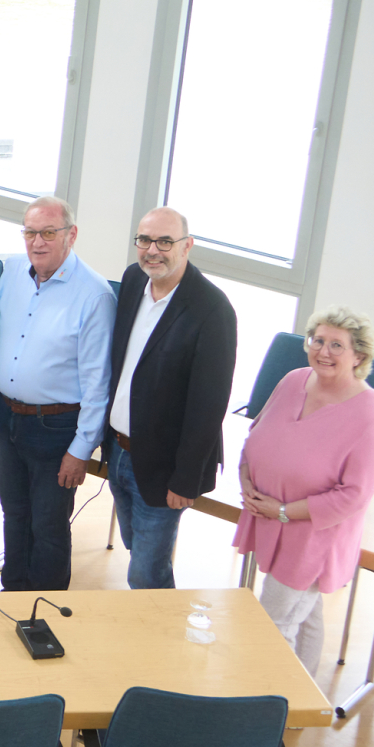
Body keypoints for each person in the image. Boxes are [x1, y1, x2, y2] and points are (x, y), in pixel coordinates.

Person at [234, 307, 374, 674]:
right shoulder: (293, 380)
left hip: (314, 536)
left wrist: (283, 511)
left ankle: (273, 706)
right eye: (318, 340)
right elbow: (257, 432)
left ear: (360, 356)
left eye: (337, 345)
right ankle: (304, 703)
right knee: (305, 614)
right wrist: (246, 478)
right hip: (270, 518)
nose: (323, 351)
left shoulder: (369, 412)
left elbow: (355, 495)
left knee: (274, 623)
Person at [104, 207, 236, 590]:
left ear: (187, 246)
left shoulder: (212, 310)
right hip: (119, 450)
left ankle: (154, 643)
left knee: (146, 570)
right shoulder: (133, 280)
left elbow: (209, 405)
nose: (152, 251)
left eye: (165, 241)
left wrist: (186, 478)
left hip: (165, 465)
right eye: (144, 240)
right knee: (137, 548)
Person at [0, 196, 115, 592]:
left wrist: (81, 450)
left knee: (48, 525)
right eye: (30, 232)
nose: (37, 242)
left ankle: (43, 610)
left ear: (71, 235)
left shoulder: (94, 295)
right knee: (15, 514)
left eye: (48, 232)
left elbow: (98, 383)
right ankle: (13, 594)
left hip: (56, 426)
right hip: (6, 415)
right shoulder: (11, 270)